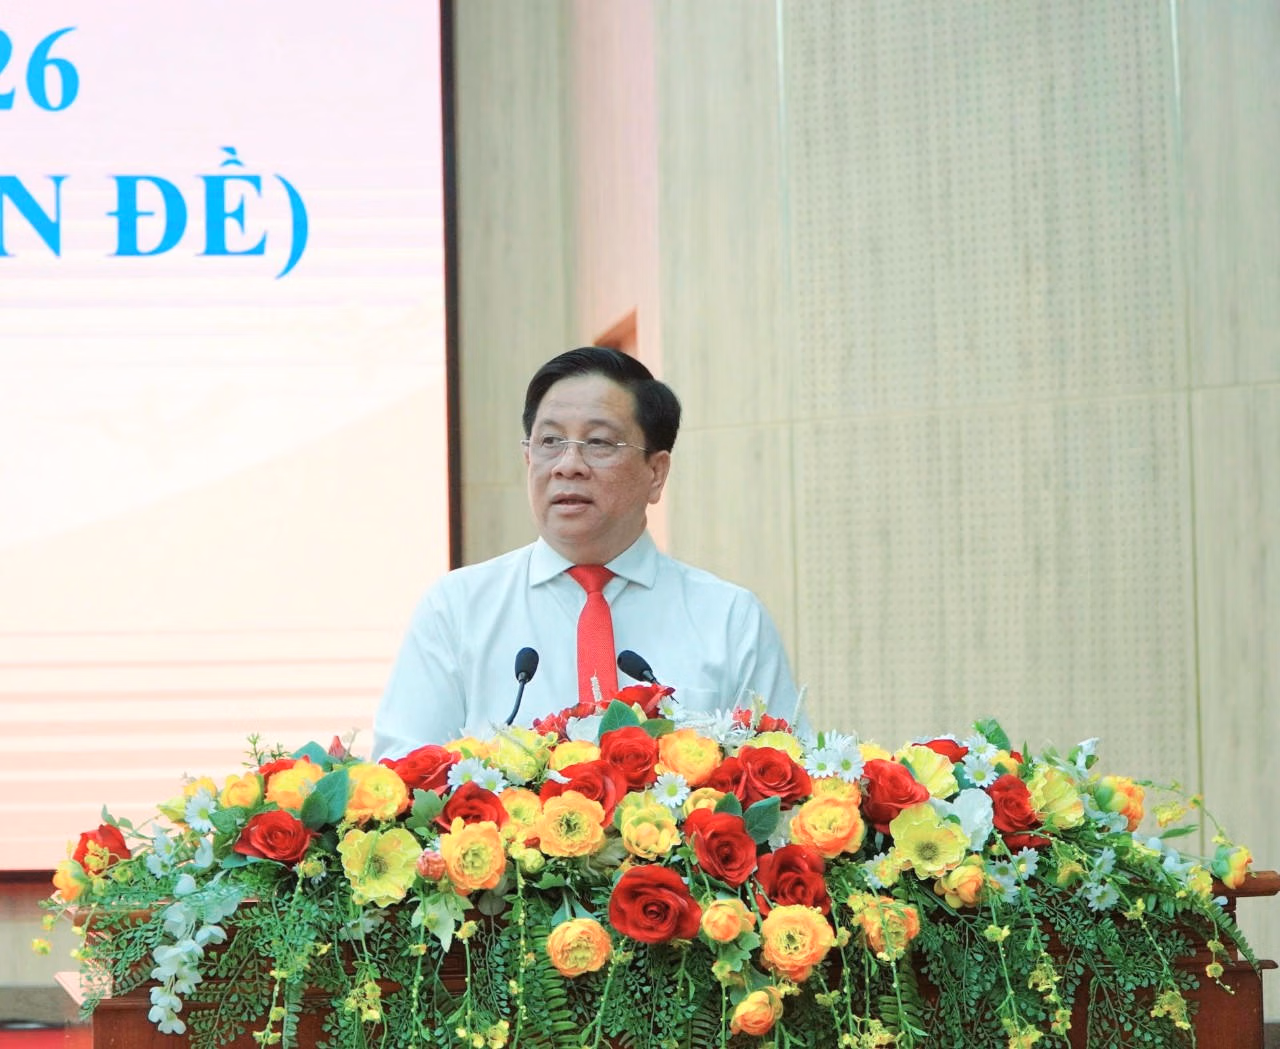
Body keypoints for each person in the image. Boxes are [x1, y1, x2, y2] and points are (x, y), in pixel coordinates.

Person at [372, 347, 798, 759]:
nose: (568, 464)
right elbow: (403, 770)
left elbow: (790, 778)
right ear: (528, 458)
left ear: (656, 472)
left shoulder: (729, 619)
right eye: (550, 440)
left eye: (598, 442)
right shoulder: (457, 609)